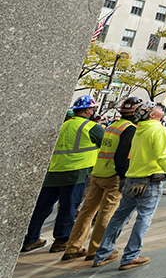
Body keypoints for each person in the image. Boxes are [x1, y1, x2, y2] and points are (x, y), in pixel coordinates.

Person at [92, 101, 166, 270]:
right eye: (156, 108)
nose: (160, 108)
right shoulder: (159, 130)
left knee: (119, 216)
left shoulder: (139, 130)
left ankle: (102, 253)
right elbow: (163, 154)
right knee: (144, 217)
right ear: (152, 115)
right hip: (150, 180)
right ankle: (131, 256)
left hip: (132, 179)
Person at [61, 97, 143, 261]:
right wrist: (123, 176)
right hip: (113, 176)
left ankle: (73, 247)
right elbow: (121, 156)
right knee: (106, 214)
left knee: (86, 212)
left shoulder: (114, 125)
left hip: (98, 172)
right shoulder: (130, 129)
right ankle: (96, 250)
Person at [22, 95, 105, 253]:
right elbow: (106, 146)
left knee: (42, 208)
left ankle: (31, 239)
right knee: (68, 208)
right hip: (75, 172)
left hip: (54, 170)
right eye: (93, 108)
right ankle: (61, 240)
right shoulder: (92, 127)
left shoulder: (64, 125)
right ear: (87, 110)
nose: (94, 111)